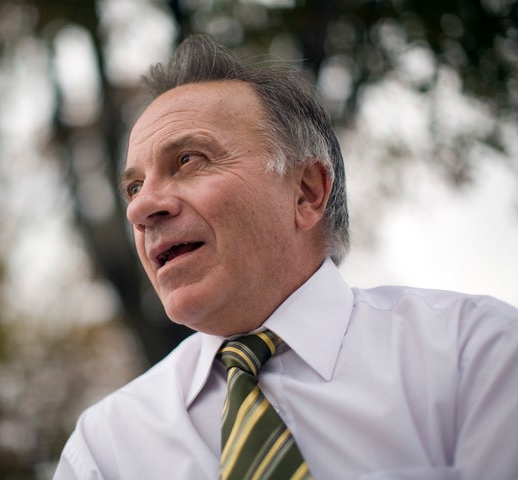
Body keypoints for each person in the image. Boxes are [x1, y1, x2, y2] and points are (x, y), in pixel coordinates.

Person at [54, 34, 518, 480]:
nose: (139, 209)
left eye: (188, 161)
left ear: (306, 192)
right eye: (134, 187)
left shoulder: (475, 356)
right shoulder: (105, 449)